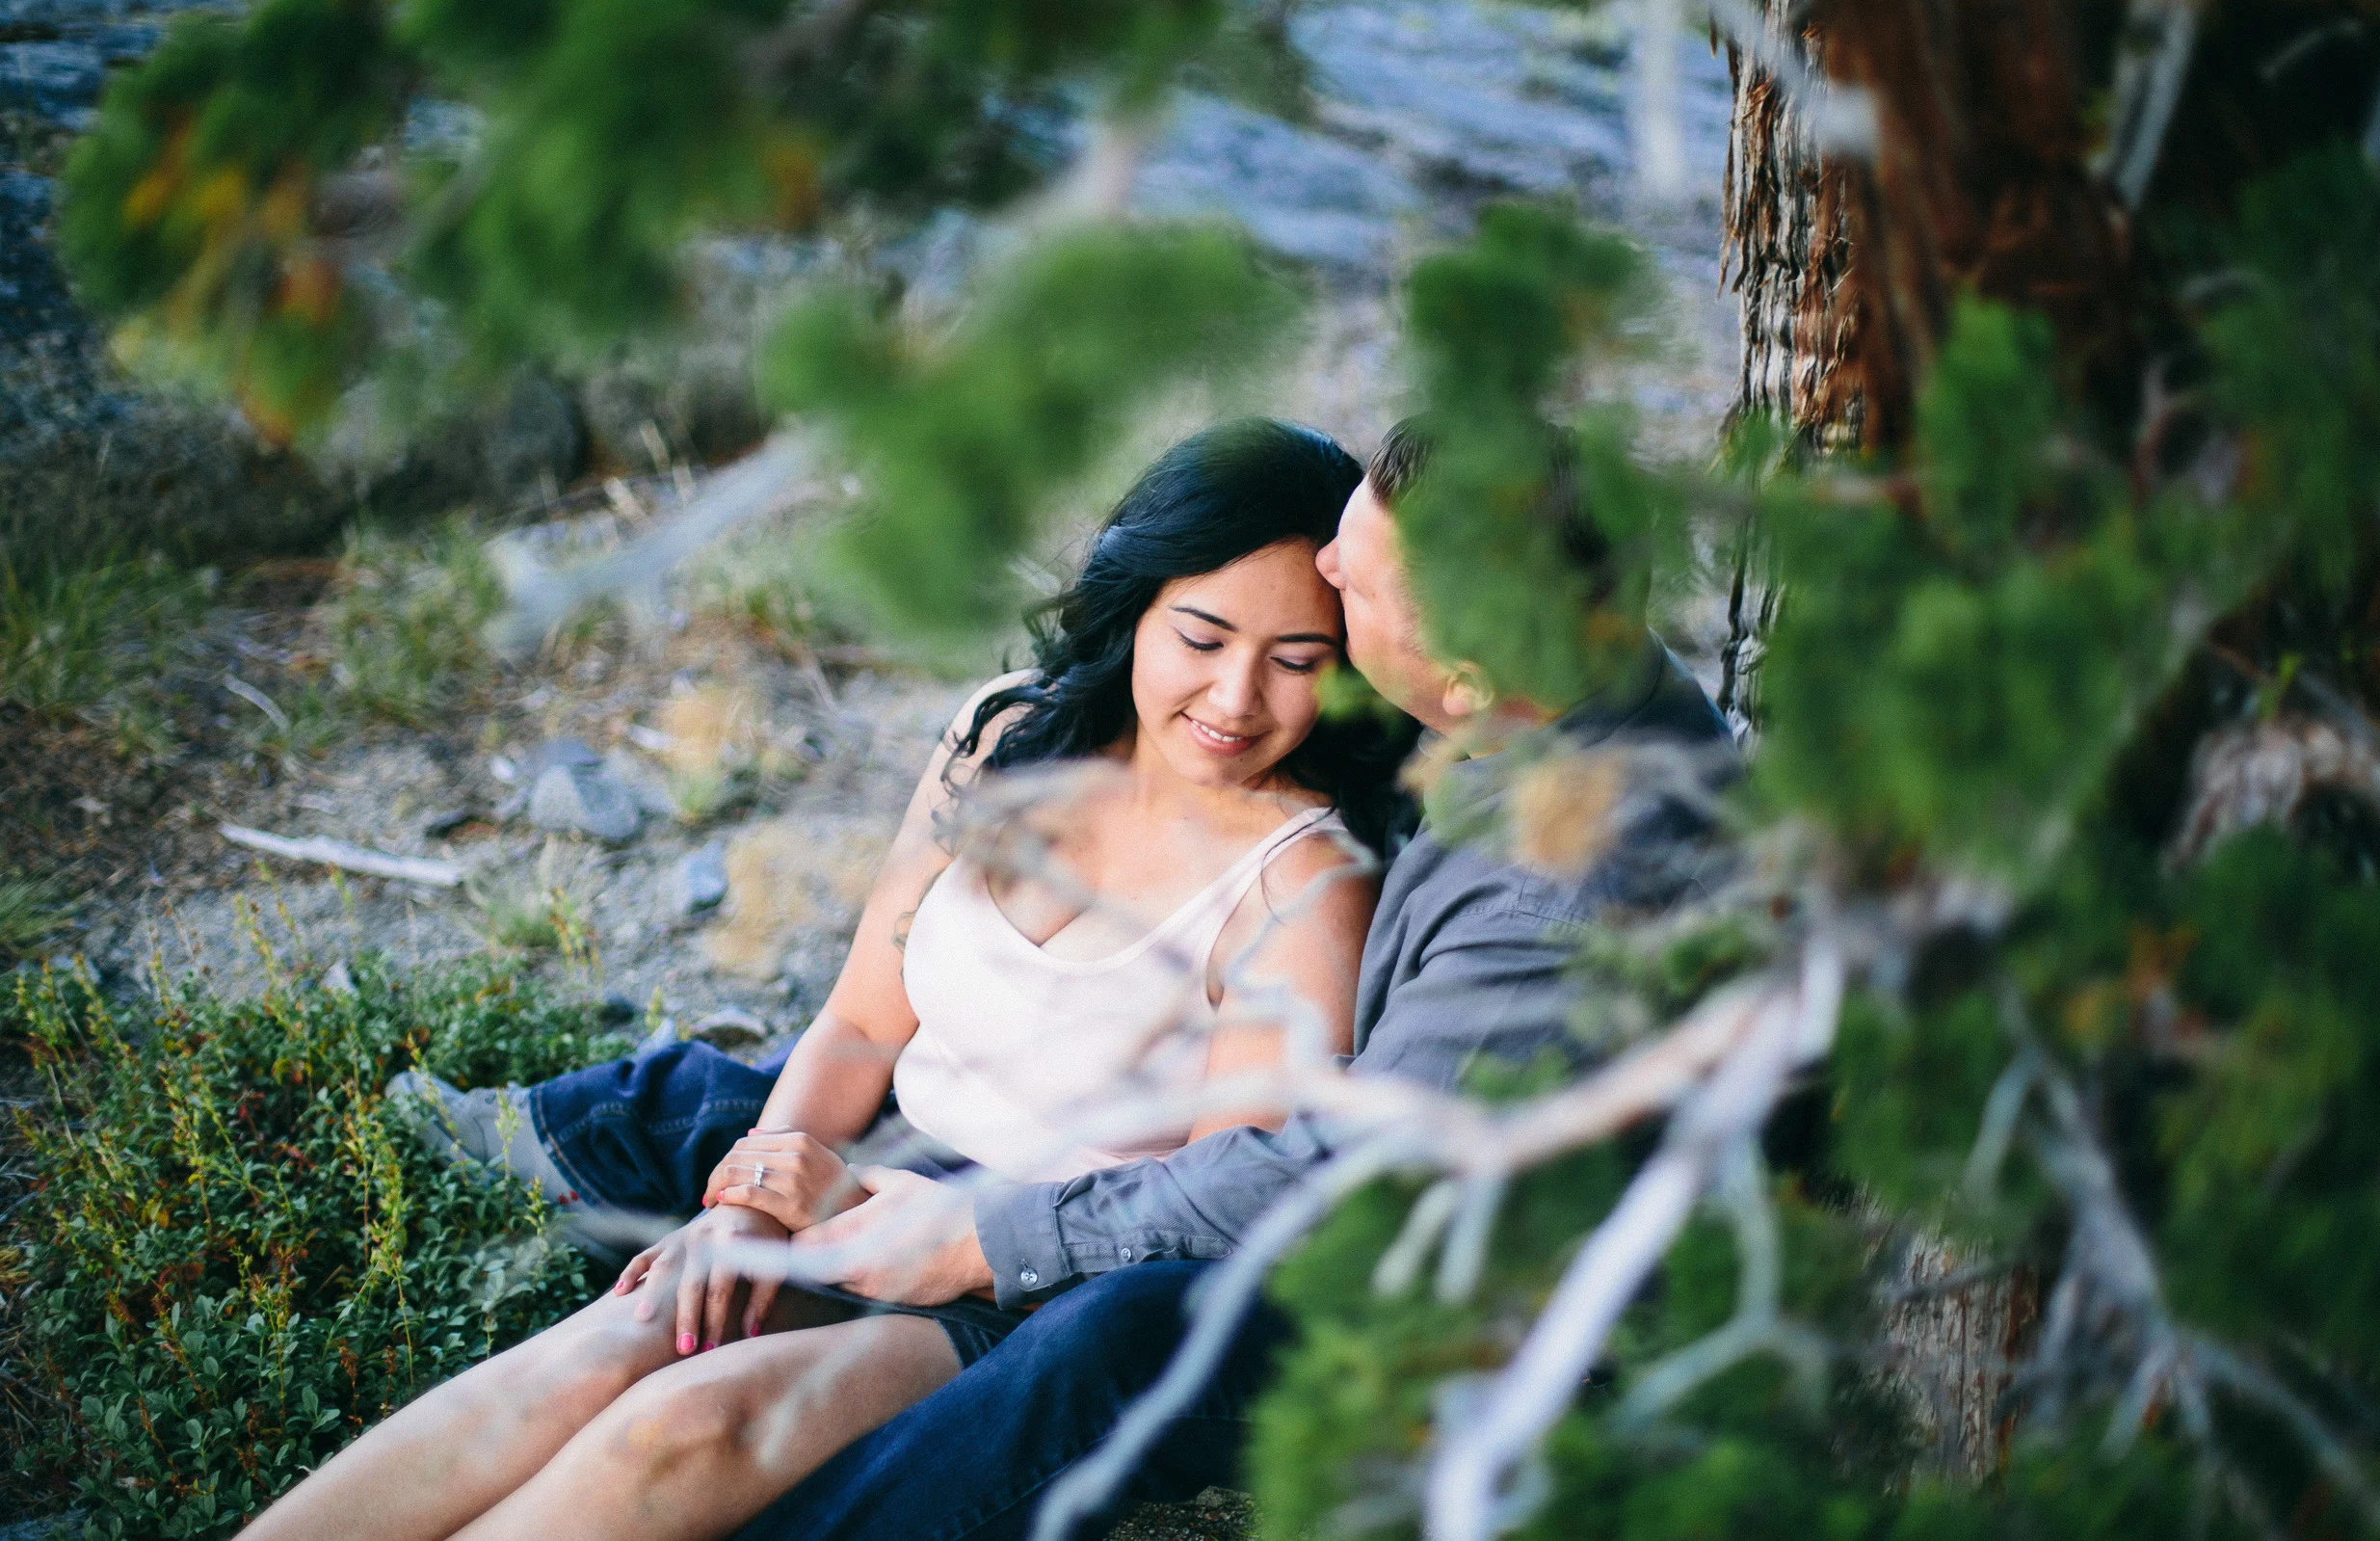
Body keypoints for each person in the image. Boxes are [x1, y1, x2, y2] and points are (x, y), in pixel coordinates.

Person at [430, 418, 1737, 1541]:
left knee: (1075, 1340)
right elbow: (862, 1014)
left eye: (1346, 599)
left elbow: (1328, 1182)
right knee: (652, 1287)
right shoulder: (1566, 694)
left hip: (1420, 1292)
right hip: (1093, 1174)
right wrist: (780, 1163)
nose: (1330, 563)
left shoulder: (1528, 878)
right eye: (1344, 536)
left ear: (1455, 680)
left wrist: (977, 1235)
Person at [241, 419, 1415, 1541]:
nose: (1234, 700)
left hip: (1024, 1279)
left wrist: (880, 1213)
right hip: (865, 1178)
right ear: (1135, 604)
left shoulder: (1301, 879)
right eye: (1202, 639)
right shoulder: (1004, 739)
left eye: (1297, 661)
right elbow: (859, 1018)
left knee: (687, 1424)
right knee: (631, 1331)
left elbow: (1200, 1215)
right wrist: (747, 1197)